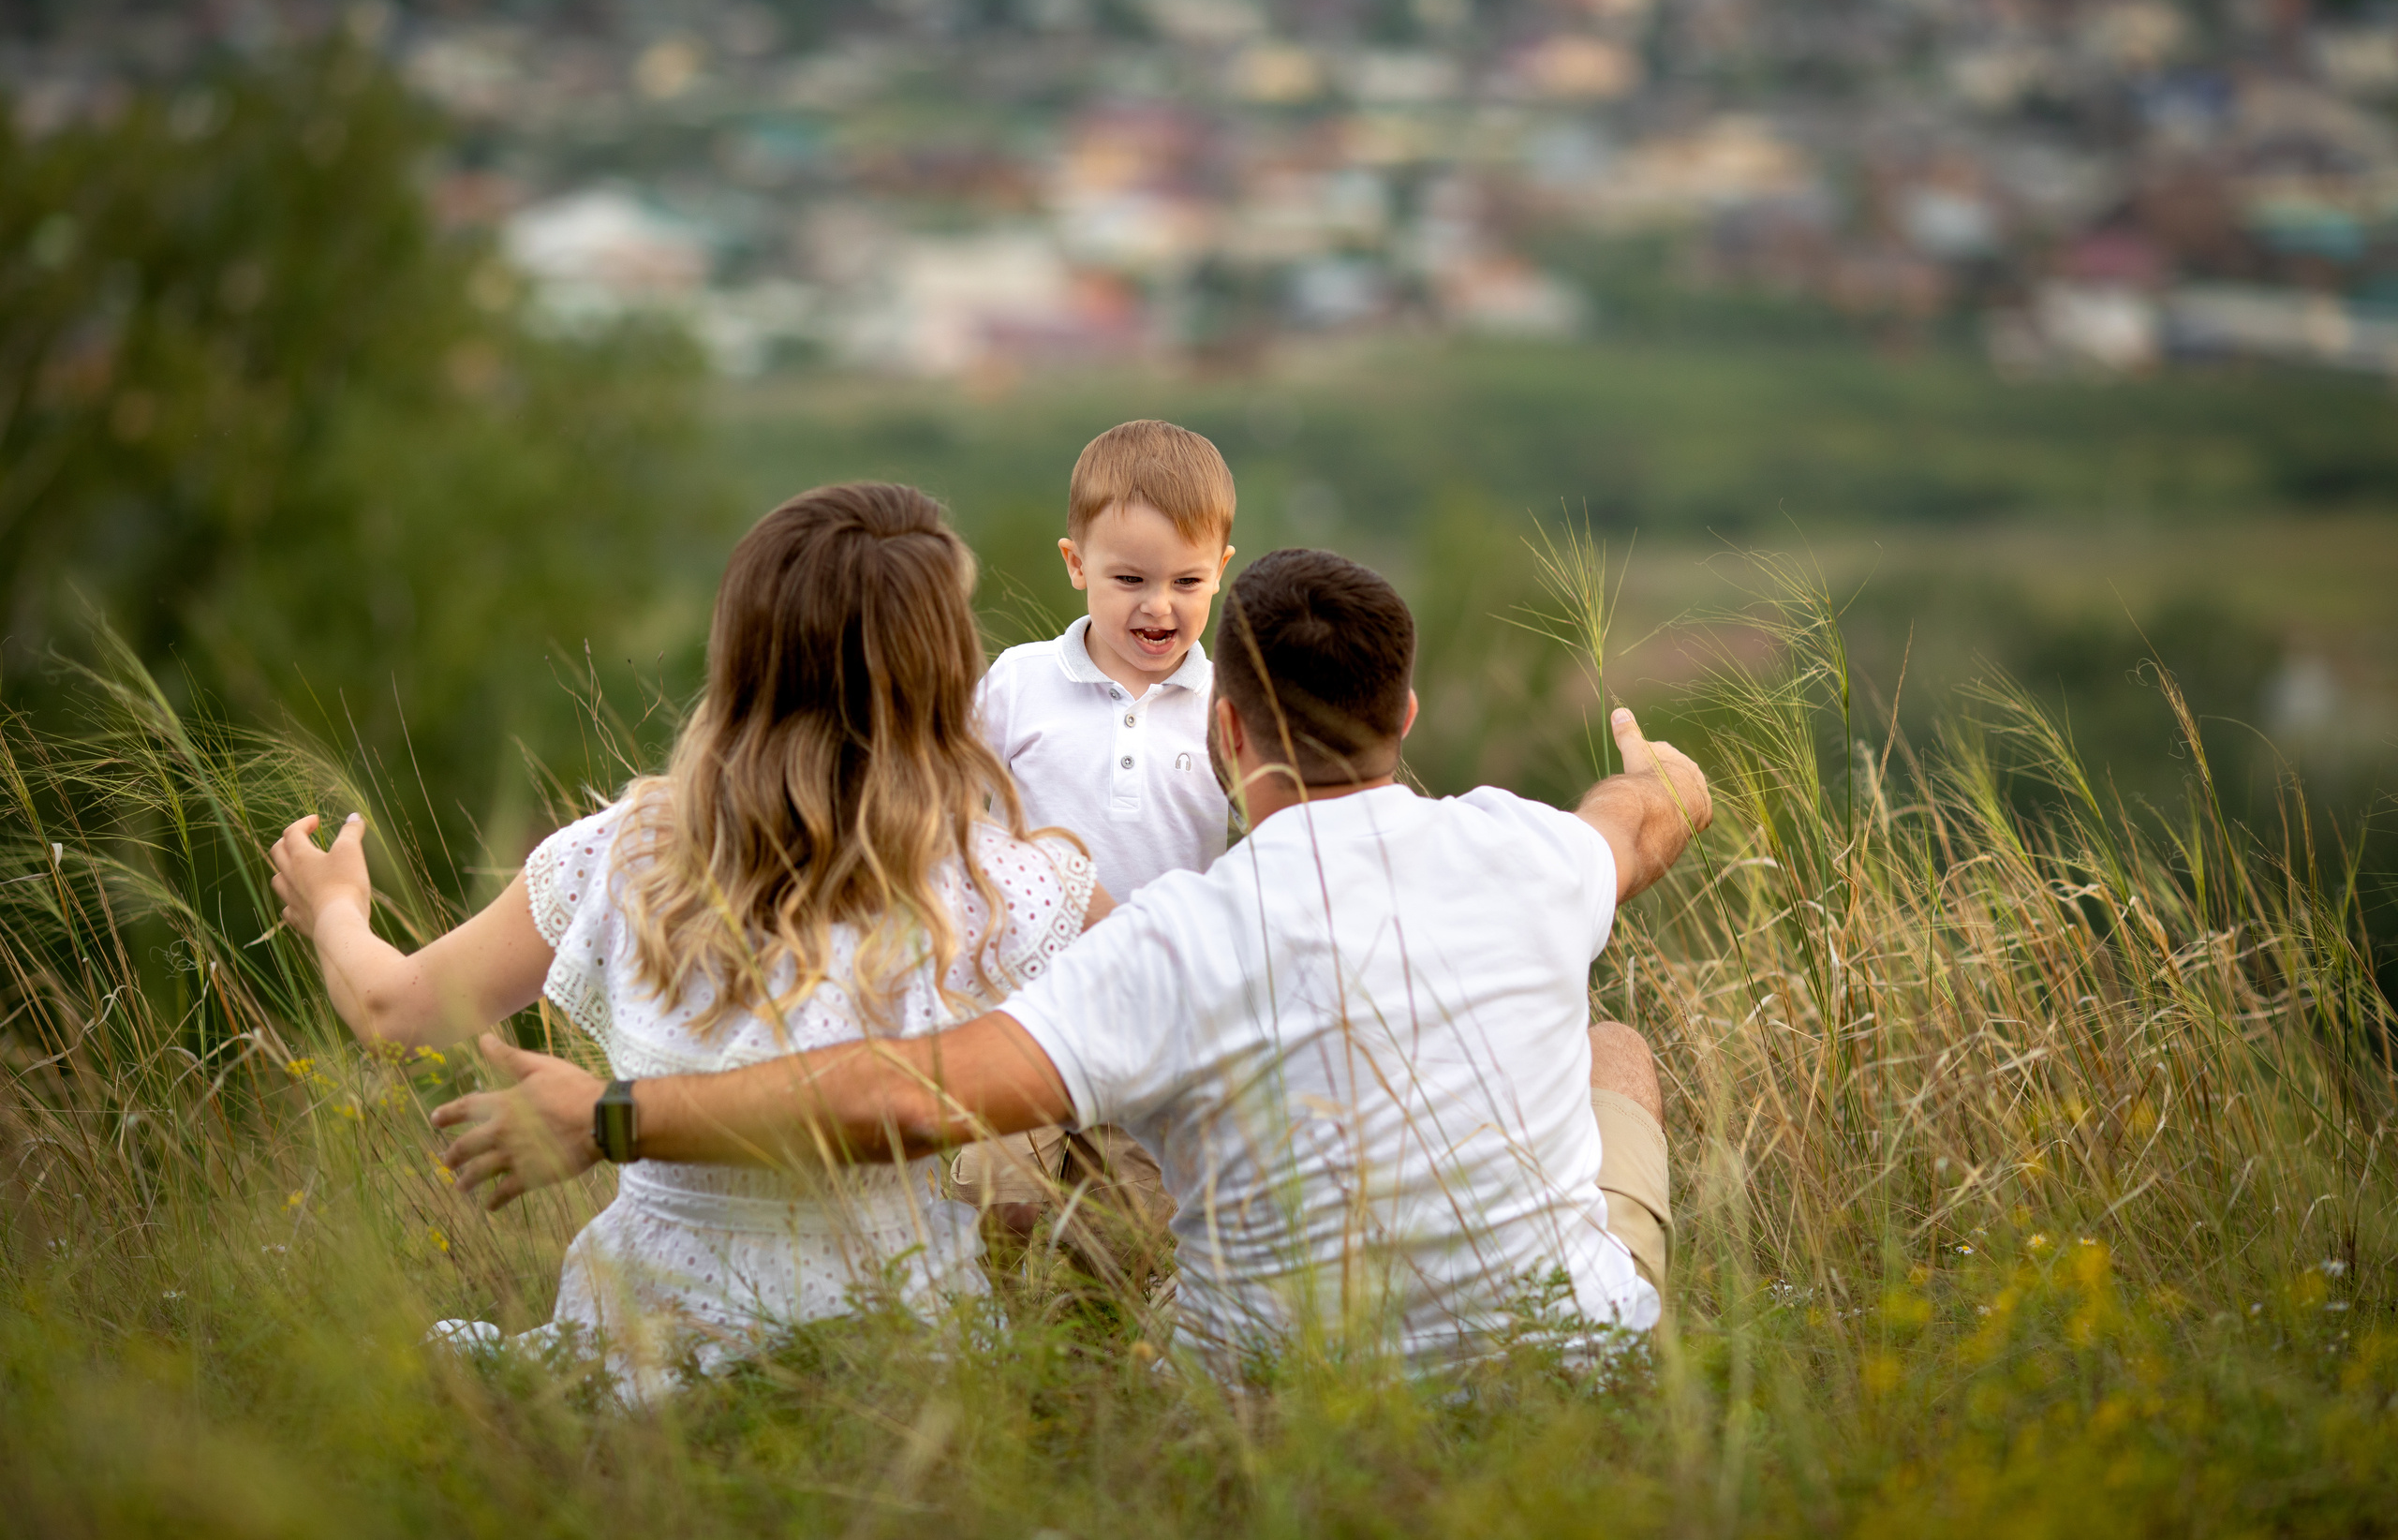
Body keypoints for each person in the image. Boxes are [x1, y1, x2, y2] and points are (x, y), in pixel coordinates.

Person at [434, 548, 1712, 1372]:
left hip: (1271, 1403)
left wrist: (610, 1112)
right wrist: (1665, 772)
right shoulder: (1535, 850)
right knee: (1618, 1049)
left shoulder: (1177, 935)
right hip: (1574, 1370)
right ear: (1409, 719)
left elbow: (894, 1097)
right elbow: (1638, 815)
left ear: (1224, 731)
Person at [268, 483, 1106, 1387]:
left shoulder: (628, 853)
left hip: (642, 1355)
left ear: (743, 656)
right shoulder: (1002, 883)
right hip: (900, 1368)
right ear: (942, 670)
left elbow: (393, 1007)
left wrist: (335, 911)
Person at [954, 420, 1236, 1241]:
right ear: (1077, 565)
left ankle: (1088, 1356)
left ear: (1221, 570)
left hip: (1152, 1021)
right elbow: (950, 806)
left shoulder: (1225, 708)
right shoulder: (1019, 682)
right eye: (1129, 578)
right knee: (997, 1202)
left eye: (1187, 580)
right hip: (1018, 998)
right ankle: (994, 1341)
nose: (1159, 605)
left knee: (1130, 1234)